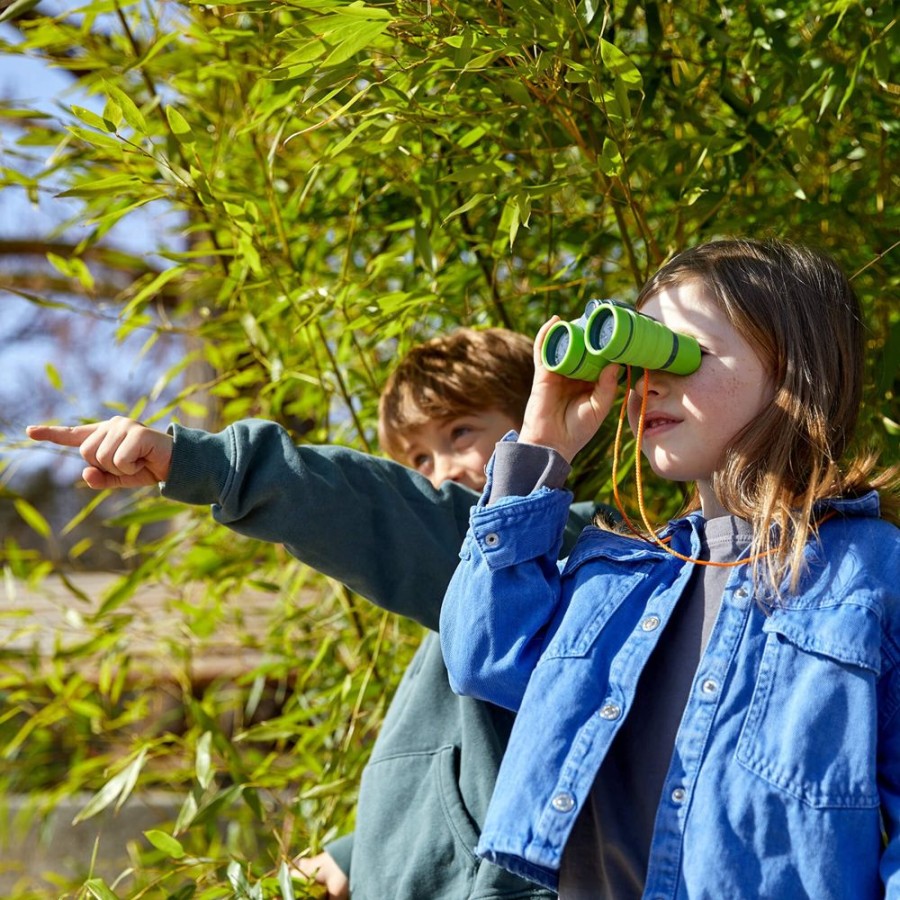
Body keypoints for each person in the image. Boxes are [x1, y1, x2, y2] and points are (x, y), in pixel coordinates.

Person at [28, 327, 603, 900]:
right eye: (419, 457)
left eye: (461, 432)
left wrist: (209, 465)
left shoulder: (563, 555)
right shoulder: (460, 599)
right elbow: (460, 774)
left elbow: (378, 512)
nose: (444, 469)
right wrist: (356, 854)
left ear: (541, 420)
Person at [438, 238, 900, 899]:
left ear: (794, 370)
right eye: (638, 359)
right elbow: (482, 654)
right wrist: (541, 446)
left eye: (682, 353)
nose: (649, 381)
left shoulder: (870, 574)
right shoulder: (617, 578)